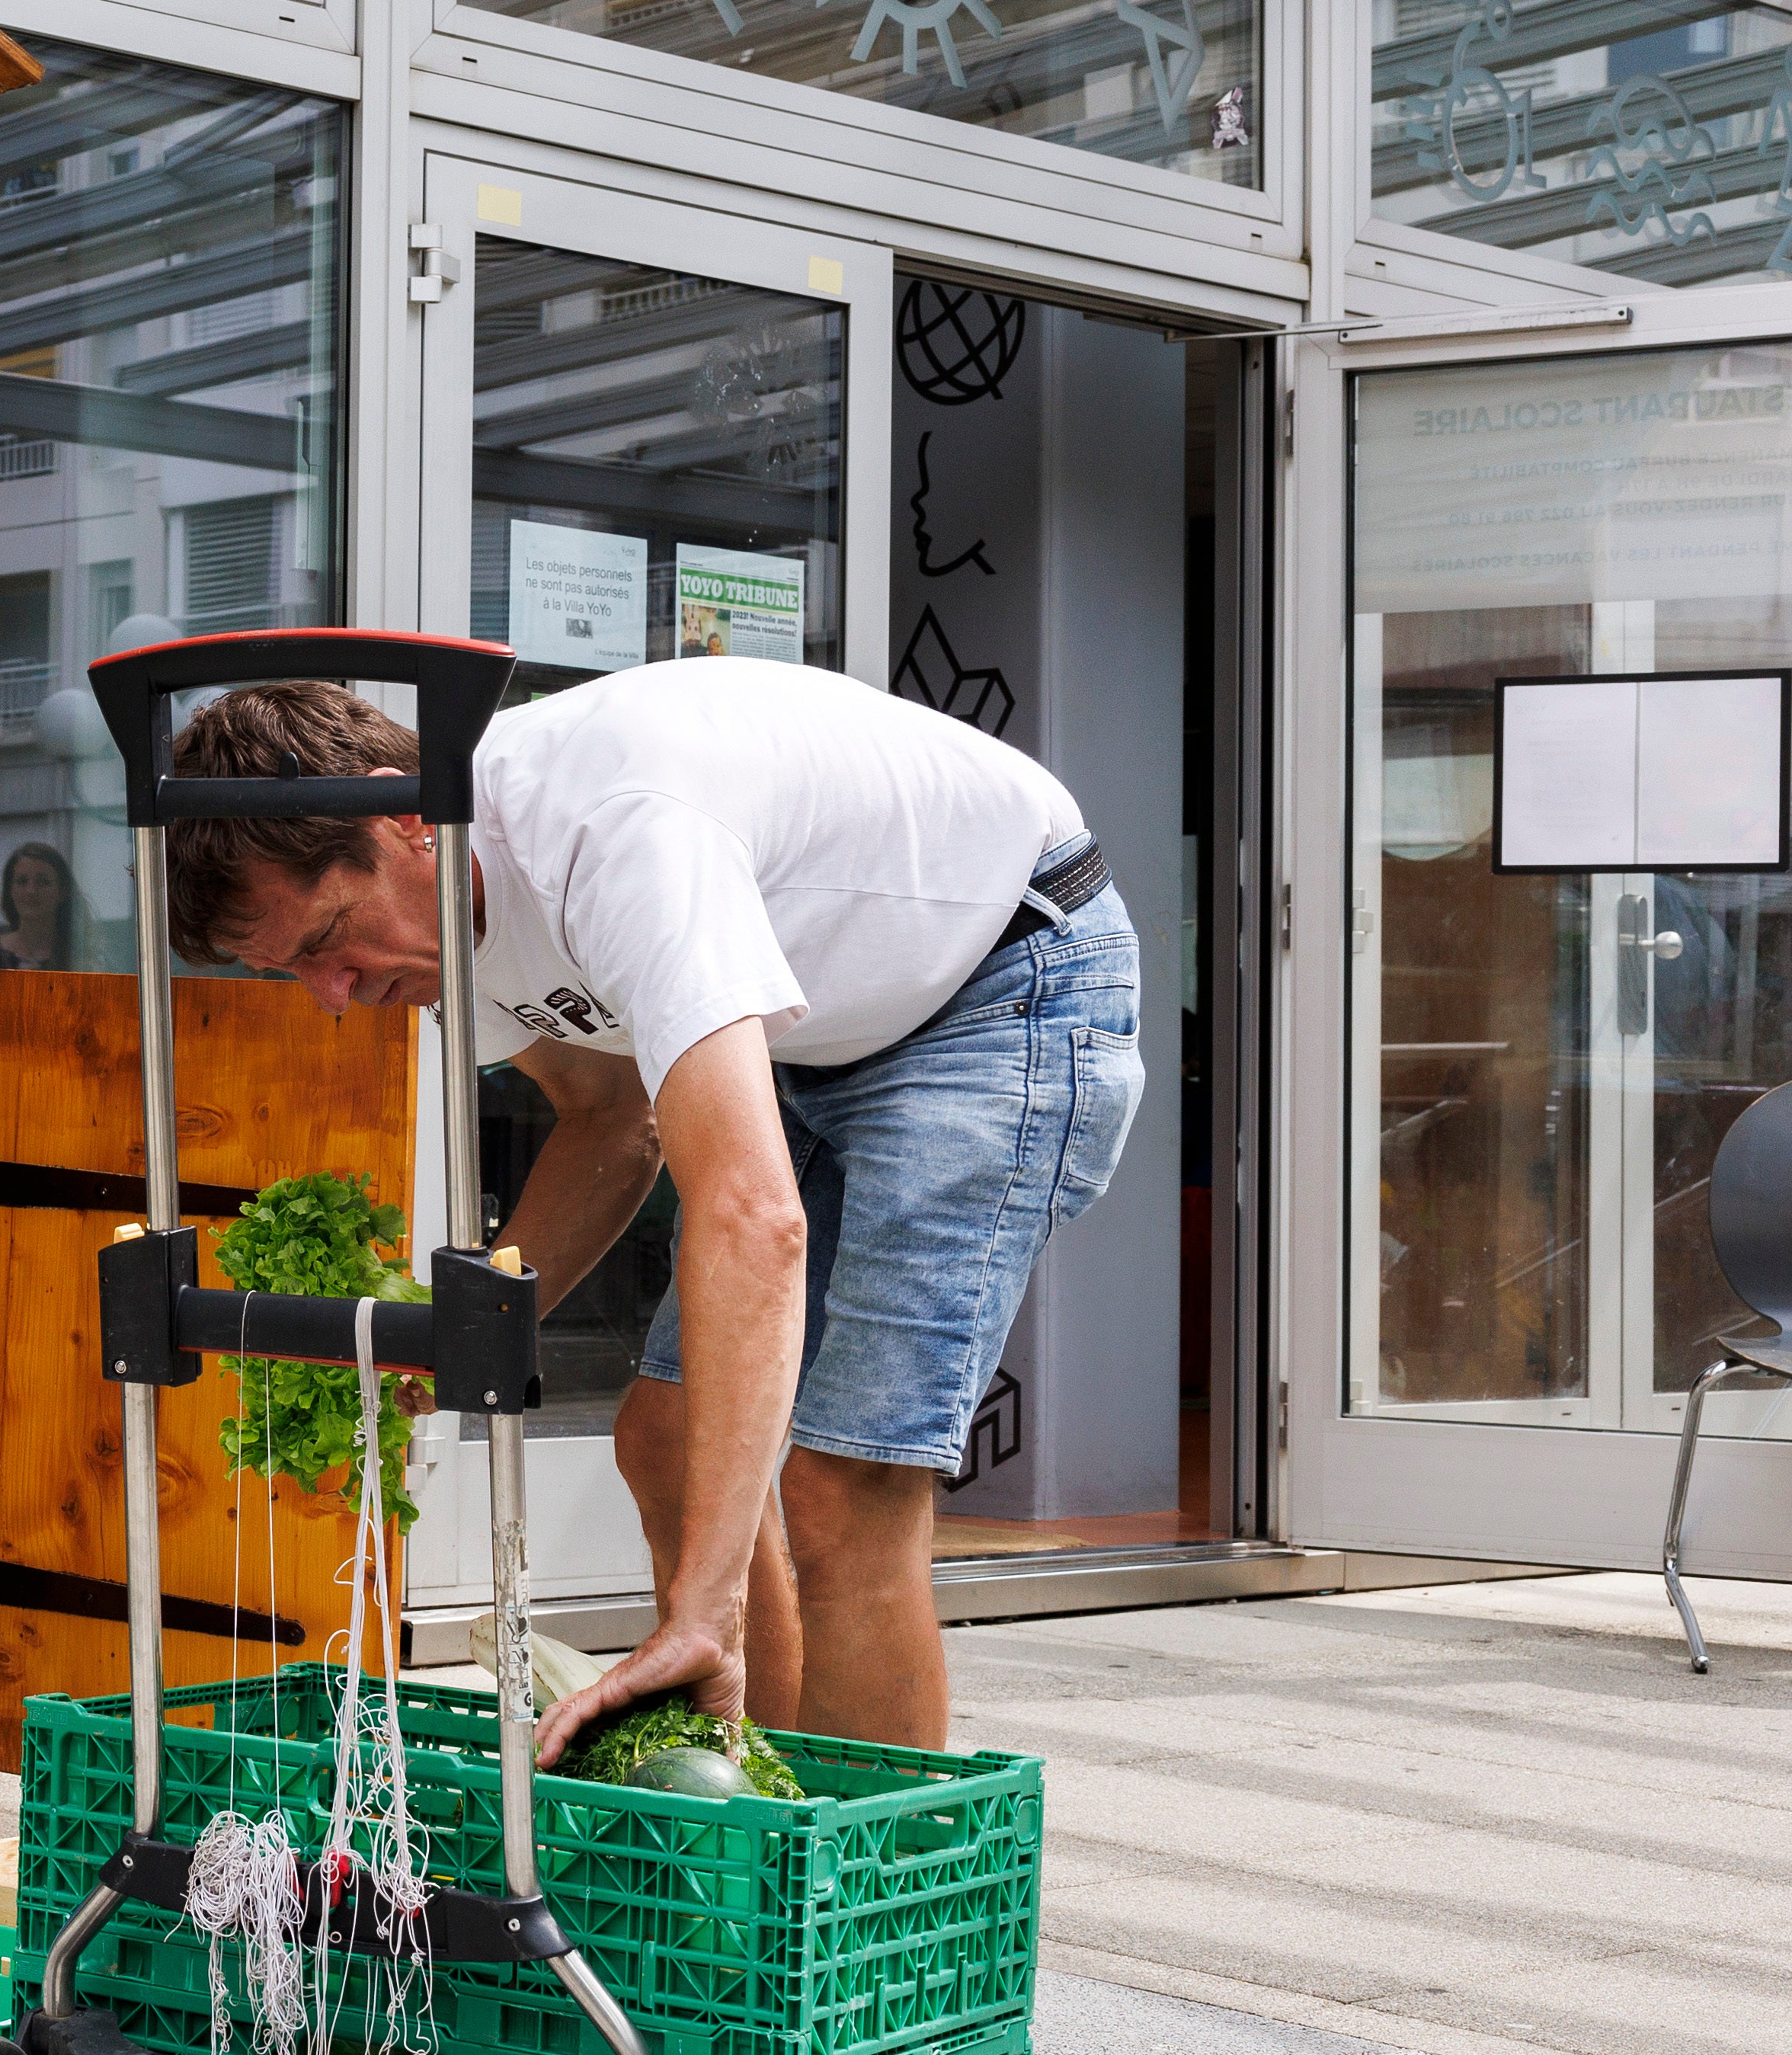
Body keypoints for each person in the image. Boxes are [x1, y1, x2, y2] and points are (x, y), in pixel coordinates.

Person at [162, 657, 1141, 1757]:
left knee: (842, 1492)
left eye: (326, 942)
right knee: (667, 1436)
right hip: (831, 1024)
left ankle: (865, 1895)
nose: (332, 997)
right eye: (291, 973)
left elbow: (753, 1216)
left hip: (1001, 976)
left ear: (405, 819)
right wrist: (472, 1332)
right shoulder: (434, 919)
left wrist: (708, 1606)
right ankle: (754, 1826)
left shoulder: (613, 833)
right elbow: (605, 1113)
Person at [0, 839, 82, 971]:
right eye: (22, 882)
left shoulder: (80, 956)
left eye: (42, 882)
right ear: (10, 890)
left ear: (62, 891)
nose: (31, 891)